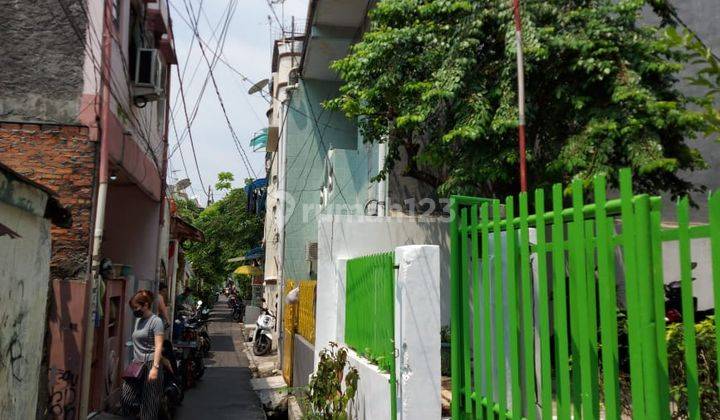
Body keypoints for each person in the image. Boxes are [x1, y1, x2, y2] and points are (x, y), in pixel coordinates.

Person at [121, 290, 165, 419]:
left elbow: (158, 346)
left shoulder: (156, 321)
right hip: (137, 365)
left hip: (151, 364)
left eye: (136, 307)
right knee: (126, 397)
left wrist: (155, 368)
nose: (134, 310)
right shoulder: (138, 321)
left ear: (145, 305)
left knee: (149, 403)